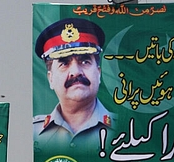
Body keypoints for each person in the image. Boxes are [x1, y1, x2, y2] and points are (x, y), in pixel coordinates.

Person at [33, 18, 115, 153]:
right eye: (64, 63)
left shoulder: (123, 130)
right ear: (50, 79)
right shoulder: (32, 133)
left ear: (98, 73)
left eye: (85, 61)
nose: (76, 72)